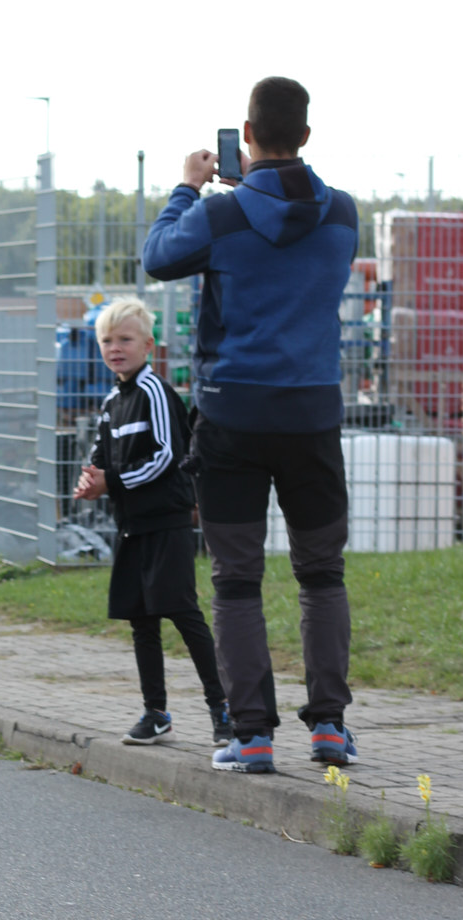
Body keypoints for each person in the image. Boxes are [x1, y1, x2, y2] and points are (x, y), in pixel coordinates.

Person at [142, 76, 359, 774]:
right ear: (306, 134)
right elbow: (292, 245)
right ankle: (330, 728)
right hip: (313, 416)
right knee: (322, 573)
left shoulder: (221, 214)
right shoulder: (344, 214)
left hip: (234, 415)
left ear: (247, 134)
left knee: (236, 580)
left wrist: (188, 188)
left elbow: (158, 256)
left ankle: (253, 736)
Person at [74, 300, 229, 746]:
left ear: (148, 345)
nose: (115, 348)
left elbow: (165, 456)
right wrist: (91, 480)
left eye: (125, 339)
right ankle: (155, 713)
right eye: (107, 340)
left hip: (166, 522)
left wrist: (113, 481)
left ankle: (223, 708)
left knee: (182, 613)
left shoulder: (154, 391)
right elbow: (100, 457)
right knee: (141, 620)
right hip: (131, 526)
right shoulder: (111, 401)